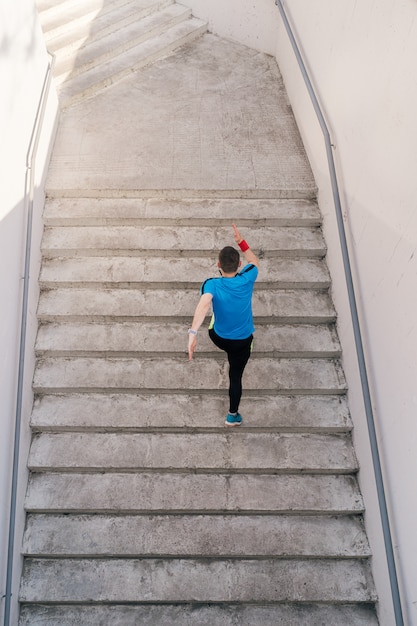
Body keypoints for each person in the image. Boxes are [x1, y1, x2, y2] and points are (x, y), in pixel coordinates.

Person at [188, 224, 259, 426]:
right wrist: (241, 242)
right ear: (239, 266)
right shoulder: (248, 276)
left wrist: (192, 333)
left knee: (214, 319)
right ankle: (232, 415)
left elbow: (203, 304)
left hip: (218, 337)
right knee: (235, 376)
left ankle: (220, 324)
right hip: (243, 341)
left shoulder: (211, 283)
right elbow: (254, 260)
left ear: (218, 264)